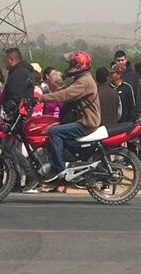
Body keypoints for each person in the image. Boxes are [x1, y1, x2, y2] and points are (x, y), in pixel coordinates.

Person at [39, 51, 100, 182]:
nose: (68, 66)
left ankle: (59, 169)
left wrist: (42, 98)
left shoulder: (84, 81)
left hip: (86, 123)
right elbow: (64, 91)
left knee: (55, 132)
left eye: (71, 64)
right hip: (83, 121)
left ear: (78, 66)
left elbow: (65, 94)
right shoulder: (80, 79)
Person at [2, 47, 36, 112]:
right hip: (23, 113)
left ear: (11, 60)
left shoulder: (18, 73)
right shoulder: (26, 71)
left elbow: (16, 96)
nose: (4, 63)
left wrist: (8, 109)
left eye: (5, 60)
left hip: (17, 116)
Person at [113, 50, 141, 122]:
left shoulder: (133, 75)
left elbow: (138, 96)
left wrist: (138, 115)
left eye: (122, 60)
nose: (120, 62)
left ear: (126, 60)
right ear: (114, 61)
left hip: (129, 116)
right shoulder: (111, 75)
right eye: (118, 60)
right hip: (114, 116)